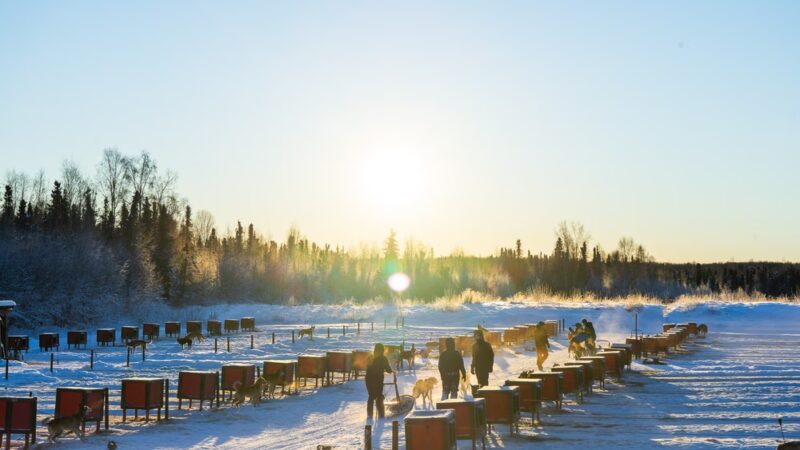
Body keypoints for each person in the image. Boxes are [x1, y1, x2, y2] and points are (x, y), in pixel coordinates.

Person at [365, 343, 392, 420]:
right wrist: (391, 371)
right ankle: (381, 414)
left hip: (369, 380)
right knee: (379, 396)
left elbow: (367, 367)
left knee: (371, 396)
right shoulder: (383, 358)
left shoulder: (370, 357)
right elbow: (388, 369)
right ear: (382, 350)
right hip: (378, 379)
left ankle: (369, 415)